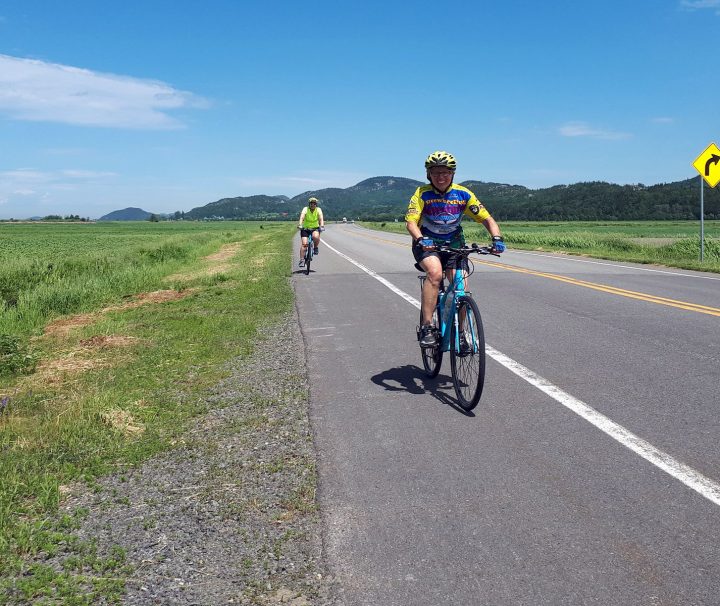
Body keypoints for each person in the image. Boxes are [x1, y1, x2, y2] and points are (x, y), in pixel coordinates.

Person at [405, 151, 505, 347]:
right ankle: (427, 326)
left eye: (445, 172)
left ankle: (461, 332)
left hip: (454, 244)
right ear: (428, 174)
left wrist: (497, 238)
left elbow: (487, 218)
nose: (441, 177)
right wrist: (420, 239)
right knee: (434, 273)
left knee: (461, 289)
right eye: (436, 173)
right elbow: (411, 223)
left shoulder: (463, 194)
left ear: (452, 174)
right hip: (428, 243)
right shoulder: (421, 193)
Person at [298, 197, 325, 267]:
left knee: (316, 236)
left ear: (316, 204)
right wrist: (300, 224)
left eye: (314, 203)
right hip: (305, 229)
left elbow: (321, 218)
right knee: (304, 244)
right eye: (311, 203)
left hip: (315, 228)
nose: (313, 205)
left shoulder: (318, 210)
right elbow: (302, 217)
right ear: (309, 204)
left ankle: (315, 247)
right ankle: (301, 260)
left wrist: (321, 226)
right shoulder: (305, 209)